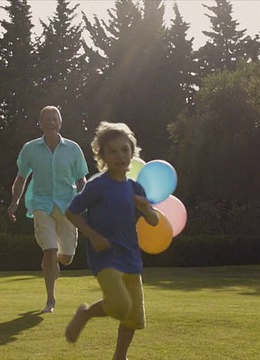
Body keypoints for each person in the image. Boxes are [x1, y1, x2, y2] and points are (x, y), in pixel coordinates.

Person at [64, 121, 159, 359]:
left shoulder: (135, 188)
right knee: (120, 306)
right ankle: (85, 313)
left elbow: (154, 221)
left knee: (135, 316)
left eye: (125, 149)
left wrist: (146, 209)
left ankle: (120, 356)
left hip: (131, 257)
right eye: (113, 151)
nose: (120, 155)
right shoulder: (97, 185)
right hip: (105, 256)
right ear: (103, 156)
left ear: (133, 152)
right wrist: (94, 236)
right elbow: (72, 212)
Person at [7, 106, 89, 314]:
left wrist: (86, 201)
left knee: (66, 257)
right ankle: (50, 299)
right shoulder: (30, 149)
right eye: (47, 119)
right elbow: (21, 177)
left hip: (67, 205)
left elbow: (80, 180)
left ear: (60, 123)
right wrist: (15, 201)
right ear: (41, 123)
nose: (51, 122)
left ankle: (52, 265)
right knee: (49, 250)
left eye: (55, 119)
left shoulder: (73, 149)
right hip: (40, 204)